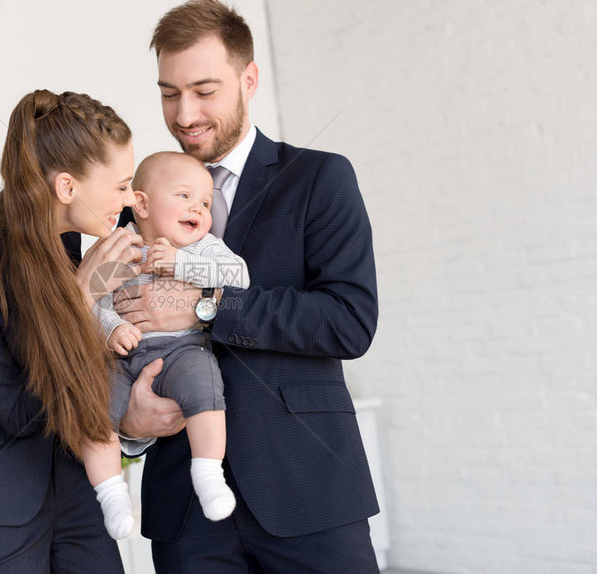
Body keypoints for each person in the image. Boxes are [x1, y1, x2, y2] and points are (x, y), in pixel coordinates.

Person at [114, 1, 381, 571]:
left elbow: (348, 321)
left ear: (249, 79)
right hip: (185, 510)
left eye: (204, 90)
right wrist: (127, 425)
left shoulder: (317, 178)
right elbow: (100, 326)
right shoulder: (134, 206)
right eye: (169, 92)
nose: (184, 114)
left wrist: (205, 307)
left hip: (308, 491)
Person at [0, 89, 158, 573]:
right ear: (67, 187)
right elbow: (17, 411)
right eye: (122, 186)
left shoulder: (65, 237)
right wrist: (80, 299)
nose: (130, 201)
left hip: (74, 479)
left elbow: (85, 363)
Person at [82, 151, 250, 539]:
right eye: (184, 196)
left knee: (205, 384)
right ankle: (111, 493)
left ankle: (208, 472)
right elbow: (91, 303)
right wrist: (110, 328)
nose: (199, 208)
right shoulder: (118, 248)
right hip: (123, 358)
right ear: (140, 203)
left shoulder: (205, 247)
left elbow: (239, 276)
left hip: (183, 351)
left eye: (206, 202)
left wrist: (180, 263)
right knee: (95, 409)